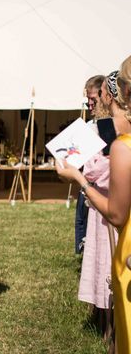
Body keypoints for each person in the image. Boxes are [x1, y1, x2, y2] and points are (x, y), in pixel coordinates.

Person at [57, 57, 131, 352]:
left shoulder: (116, 140)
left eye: (98, 95)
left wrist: (79, 178)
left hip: (116, 216)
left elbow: (115, 212)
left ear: (116, 92)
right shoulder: (96, 128)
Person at [77, 71, 130, 325]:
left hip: (111, 205)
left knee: (111, 261)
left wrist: (81, 179)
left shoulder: (120, 142)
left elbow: (96, 170)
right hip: (105, 202)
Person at [76, 75, 107, 255]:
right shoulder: (88, 126)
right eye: (87, 99)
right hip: (85, 186)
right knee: (82, 220)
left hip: (102, 189)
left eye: (93, 99)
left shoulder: (111, 128)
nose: (89, 104)